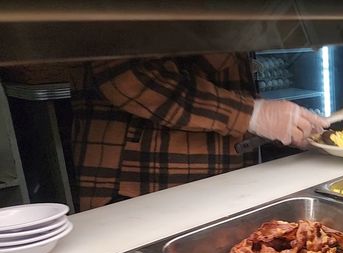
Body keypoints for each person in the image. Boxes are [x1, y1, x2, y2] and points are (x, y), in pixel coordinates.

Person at [70, 53, 328, 211]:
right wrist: (252, 114)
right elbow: (128, 78)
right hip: (139, 190)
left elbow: (219, 88)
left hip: (214, 188)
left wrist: (281, 127)